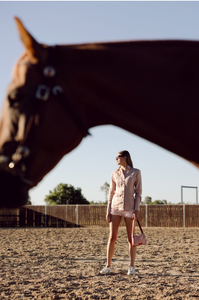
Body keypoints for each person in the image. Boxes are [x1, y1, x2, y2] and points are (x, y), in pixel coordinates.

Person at [100, 150, 142, 275]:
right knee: (112, 237)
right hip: (115, 207)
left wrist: (136, 209)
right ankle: (108, 266)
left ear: (125, 158)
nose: (116, 159)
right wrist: (108, 210)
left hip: (130, 208)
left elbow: (138, 192)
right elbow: (111, 192)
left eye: (118, 157)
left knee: (131, 238)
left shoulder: (136, 172)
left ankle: (131, 267)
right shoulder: (114, 173)